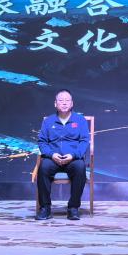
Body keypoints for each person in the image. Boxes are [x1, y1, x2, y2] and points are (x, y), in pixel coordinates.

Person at [36, 89, 90, 221]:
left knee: (80, 167)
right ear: (55, 103)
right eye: (61, 100)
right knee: (43, 167)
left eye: (67, 100)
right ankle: (45, 208)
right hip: (52, 158)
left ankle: (73, 208)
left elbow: (84, 141)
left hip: (72, 159)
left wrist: (73, 155)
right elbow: (42, 142)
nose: (64, 103)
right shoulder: (48, 121)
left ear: (72, 103)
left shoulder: (80, 120)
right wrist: (51, 154)